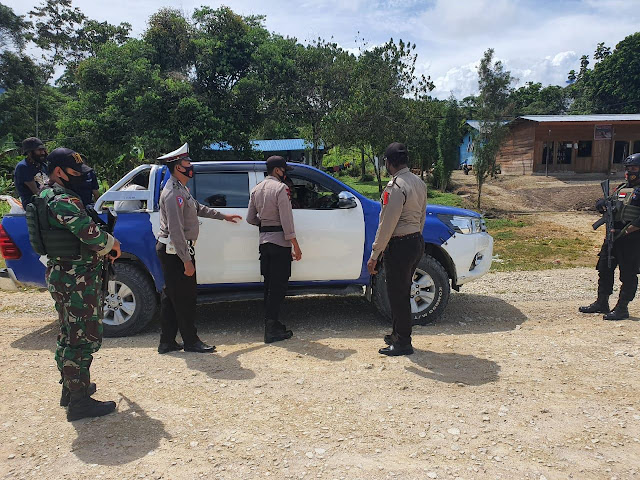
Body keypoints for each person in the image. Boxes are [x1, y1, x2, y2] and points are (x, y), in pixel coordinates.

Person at [29, 147, 122, 421]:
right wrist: (111, 244)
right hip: (76, 278)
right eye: (74, 172)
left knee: (69, 334)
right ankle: (80, 402)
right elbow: (89, 233)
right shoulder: (62, 199)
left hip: (65, 274)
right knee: (82, 338)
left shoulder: (45, 195)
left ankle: (71, 389)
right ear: (58, 171)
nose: (79, 177)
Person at [156, 143, 242, 354]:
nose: (191, 165)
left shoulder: (180, 189)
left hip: (176, 251)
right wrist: (186, 261)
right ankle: (191, 341)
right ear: (178, 167)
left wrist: (223, 216)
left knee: (172, 296)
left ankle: (166, 342)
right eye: (187, 162)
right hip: (176, 252)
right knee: (185, 297)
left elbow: (197, 208)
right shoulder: (172, 194)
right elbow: (176, 231)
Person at [367, 142, 427, 356]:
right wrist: (415, 238)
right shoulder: (418, 183)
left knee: (398, 295)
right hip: (415, 242)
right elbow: (421, 216)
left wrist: (375, 254)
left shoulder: (396, 186)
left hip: (400, 244)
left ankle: (402, 342)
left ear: (389, 162)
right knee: (402, 291)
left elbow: (387, 223)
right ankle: (397, 333)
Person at [247, 156, 302, 343]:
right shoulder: (281, 189)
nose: (285, 173)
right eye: (283, 170)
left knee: (269, 286)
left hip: (264, 242)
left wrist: (265, 224)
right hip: (280, 244)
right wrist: (296, 245)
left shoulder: (256, 190)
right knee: (279, 287)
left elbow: (250, 218)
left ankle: (273, 323)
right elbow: (287, 220)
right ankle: (271, 329)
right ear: (277, 170)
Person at [579, 153, 640, 321]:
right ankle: (602, 302)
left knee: (628, 274)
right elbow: (609, 202)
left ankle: (622, 308)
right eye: (627, 169)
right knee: (605, 268)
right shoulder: (622, 188)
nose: (629, 172)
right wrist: (602, 204)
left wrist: (632, 228)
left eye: (634, 168)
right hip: (613, 236)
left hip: (631, 238)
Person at [14, 137, 47, 208]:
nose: (43, 153)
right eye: (39, 150)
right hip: (33, 205)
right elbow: (36, 192)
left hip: (46, 200)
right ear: (29, 152)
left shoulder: (42, 165)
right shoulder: (23, 167)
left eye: (43, 149)